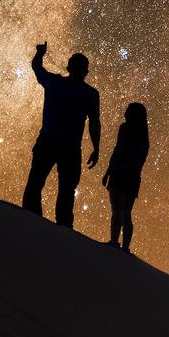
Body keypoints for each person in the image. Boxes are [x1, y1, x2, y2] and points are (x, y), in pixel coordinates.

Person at [20, 42, 101, 227]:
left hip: (54, 142)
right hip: (66, 146)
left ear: (70, 67)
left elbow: (37, 68)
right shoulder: (88, 93)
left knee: (40, 182)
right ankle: (58, 227)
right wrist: (96, 147)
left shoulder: (56, 83)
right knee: (61, 188)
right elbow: (95, 122)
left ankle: (32, 222)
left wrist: (40, 54)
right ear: (85, 71)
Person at [101, 102, 150, 253]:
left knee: (117, 211)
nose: (125, 113)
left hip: (121, 174)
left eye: (128, 111)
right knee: (126, 212)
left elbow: (118, 150)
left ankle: (115, 242)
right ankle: (124, 247)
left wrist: (109, 171)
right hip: (132, 176)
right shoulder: (143, 135)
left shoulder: (125, 129)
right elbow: (140, 158)